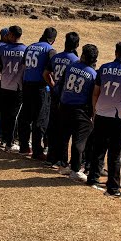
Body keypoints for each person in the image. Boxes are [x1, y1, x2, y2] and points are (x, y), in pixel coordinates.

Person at [88, 41, 121, 199]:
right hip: (119, 118)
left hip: (101, 114)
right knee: (115, 153)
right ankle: (113, 187)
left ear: (115, 52)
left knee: (98, 148)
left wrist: (95, 110)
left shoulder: (104, 68)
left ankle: (93, 177)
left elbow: (96, 93)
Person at [57, 44, 98, 182]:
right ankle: (75, 168)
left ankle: (63, 164)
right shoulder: (93, 74)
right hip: (80, 109)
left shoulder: (71, 66)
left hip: (65, 104)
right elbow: (93, 95)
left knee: (64, 135)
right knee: (80, 141)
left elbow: (62, 83)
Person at [18, 27, 57, 160]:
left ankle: (23, 146)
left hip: (27, 84)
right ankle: (37, 150)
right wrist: (53, 85)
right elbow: (51, 71)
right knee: (40, 119)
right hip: (41, 87)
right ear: (52, 40)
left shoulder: (30, 47)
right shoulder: (50, 50)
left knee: (25, 116)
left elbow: (23, 66)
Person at [43, 32, 80, 165]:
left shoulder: (56, 57)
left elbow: (46, 73)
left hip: (55, 94)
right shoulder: (75, 60)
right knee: (64, 130)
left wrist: (52, 85)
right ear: (77, 45)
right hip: (66, 98)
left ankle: (51, 157)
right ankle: (62, 159)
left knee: (53, 126)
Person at [0, 25, 27, 152]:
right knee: (13, 115)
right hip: (17, 86)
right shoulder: (25, 50)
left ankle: (3, 138)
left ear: (13, 35)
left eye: (9, 34)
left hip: (4, 84)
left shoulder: (2, 48)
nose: (7, 36)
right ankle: (10, 141)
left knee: (5, 113)